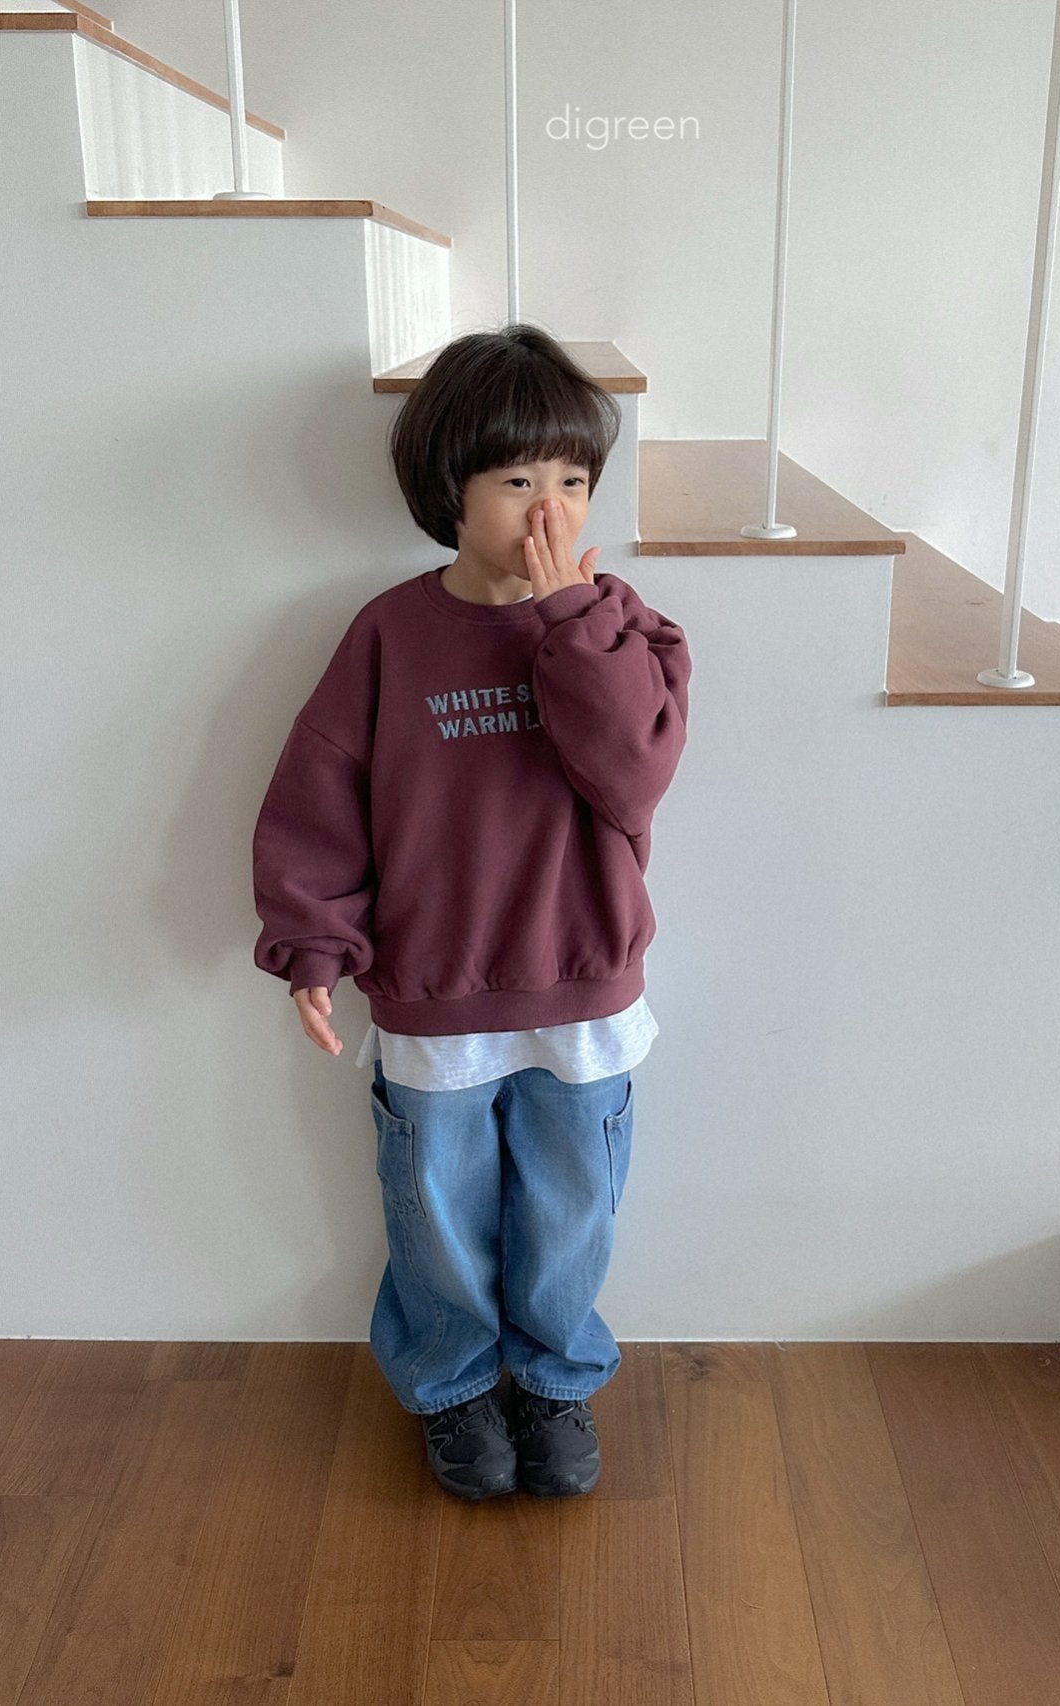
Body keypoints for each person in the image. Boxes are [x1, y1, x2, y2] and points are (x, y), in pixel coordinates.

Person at [251, 323, 692, 1502]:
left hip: (580, 986)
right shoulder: (390, 635)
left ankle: (552, 1381)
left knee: (570, 1208)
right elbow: (320, 796)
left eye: (573, 480)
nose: (549, 510)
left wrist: (568, 618)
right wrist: (313, 941)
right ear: (450, 487)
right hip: (435, 990)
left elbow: (633, 775)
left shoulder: (622, 628)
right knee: (436, 1210)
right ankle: (451, 1387)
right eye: (516, 480)